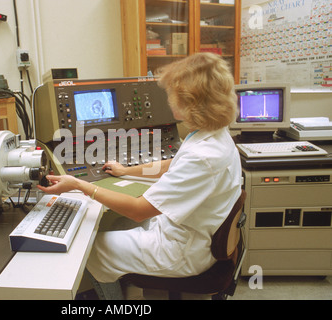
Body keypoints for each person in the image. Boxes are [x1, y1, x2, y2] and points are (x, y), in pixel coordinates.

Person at [37, 52, 242, 299]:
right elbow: (172, 164)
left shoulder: (203, 156)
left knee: (88, 247)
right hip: (191, 233)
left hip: (183, 252)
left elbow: (138, 209)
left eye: (171, 94)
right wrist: (126, 171)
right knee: (112, 227)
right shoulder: (215, 134)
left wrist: (81, 185)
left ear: (190, 101)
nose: (168, 100)